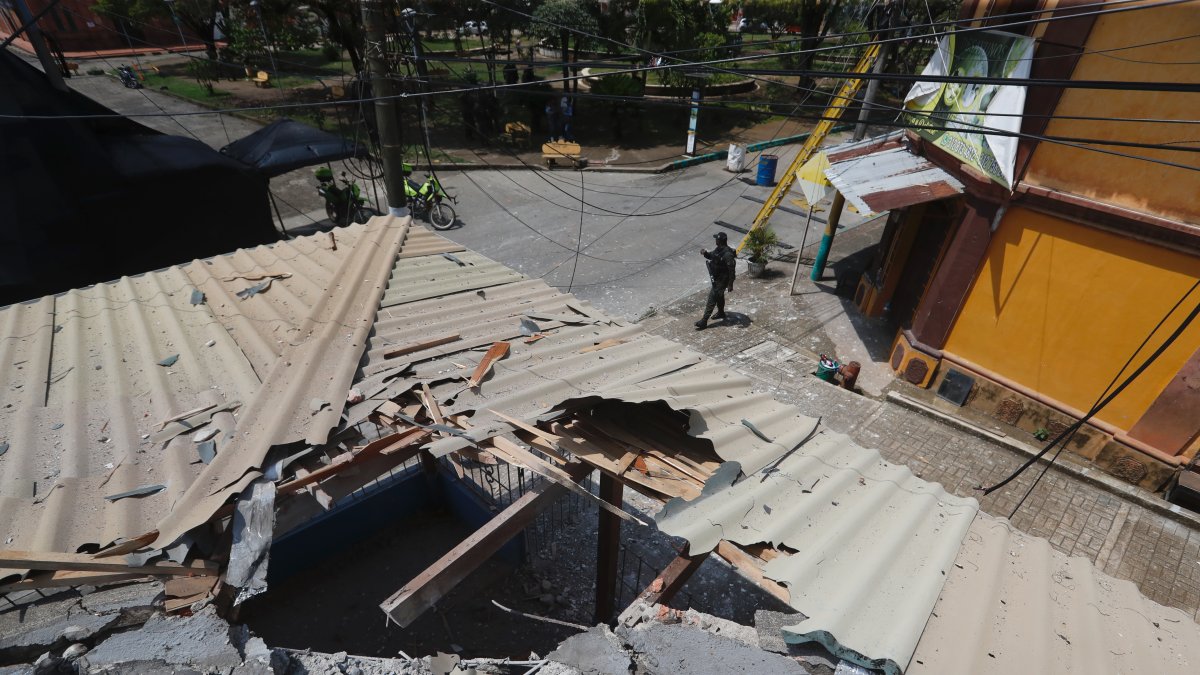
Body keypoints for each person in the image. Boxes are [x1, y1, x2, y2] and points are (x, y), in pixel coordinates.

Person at [696, 232, 736, 329]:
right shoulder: (718, 250)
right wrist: (705, 253)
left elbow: (732, 270)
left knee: (712, 297)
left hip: (722, 280)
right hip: (717, 278)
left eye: (717, 239)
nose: (715, 241)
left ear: (721, 241)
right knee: (719, 296)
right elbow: (712, 256)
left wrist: (730, 284)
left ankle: (704, 321)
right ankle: (721, 313)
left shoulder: (727, 254)